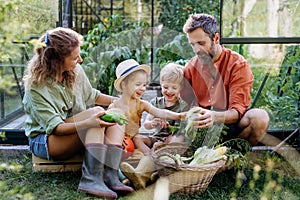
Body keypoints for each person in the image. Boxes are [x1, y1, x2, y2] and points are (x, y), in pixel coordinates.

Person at [22, 27, 134, 199]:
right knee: (95, 117)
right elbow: (56, 128)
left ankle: (109, 176)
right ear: (56, 61)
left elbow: (92, 95)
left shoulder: (74, 71)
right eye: (74, 58)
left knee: (113, 112)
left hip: (69, 127)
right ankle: (90, 180)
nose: (80, 60)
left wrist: (122, 101)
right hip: (45, 140)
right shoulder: (36, 88)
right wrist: (90, 122)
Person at [181, 13, 270, 146]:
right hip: (203, 129)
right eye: (192, 45)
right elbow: (184, 106)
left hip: (231, 125)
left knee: (260, 118)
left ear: (216, 38)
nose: (196, 50)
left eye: (201, 43)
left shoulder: (237, 64)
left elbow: (237, 111)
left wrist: (213, 116)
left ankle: (231, 157)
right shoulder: (191, 67)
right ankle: (206, 158)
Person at [108, 59, 186, 189]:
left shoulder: (142, 104)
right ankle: (133, 171)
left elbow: (161, 112)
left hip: (138, 142)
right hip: (121, 142)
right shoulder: (114, 105)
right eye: (138, 84)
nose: (142, 89)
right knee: (133, 142)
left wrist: (178, 116)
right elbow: (108, 125)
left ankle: (150, 160)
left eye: (144, 85)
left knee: (138, 145)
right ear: (123, 85)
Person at [133, 62, 190, 155]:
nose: (169, 91)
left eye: (174, 88)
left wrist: (165, 141)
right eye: (165, 87)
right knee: (137, 138)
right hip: (155, 138)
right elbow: (146, 125)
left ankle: (162, 151)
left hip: (171, 140)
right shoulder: (156, 103)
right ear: (161, 85)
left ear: (181, 88)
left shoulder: (183, 106)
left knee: (179, 138)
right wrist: (152, 123)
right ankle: (151, 157)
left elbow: (183, 130)